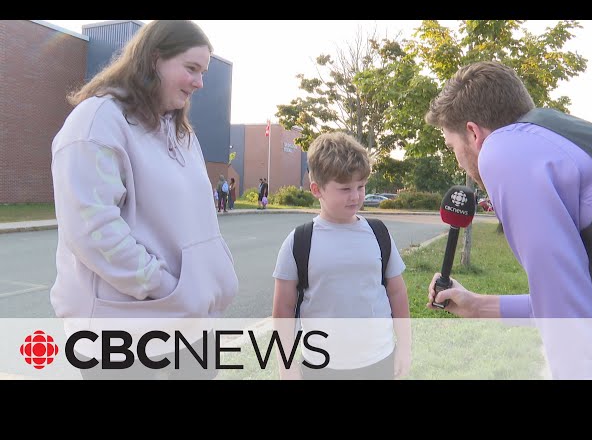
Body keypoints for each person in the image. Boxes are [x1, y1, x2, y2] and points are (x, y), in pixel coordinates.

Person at [425, 60, 592, 379]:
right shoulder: (552, 137)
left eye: (451, 146)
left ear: (473, 133)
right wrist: (476, 306)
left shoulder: (504, 151)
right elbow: (577, 300)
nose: (458, 162)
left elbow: (573, 324)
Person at [50, 20, 239, 380]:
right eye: (191, 68)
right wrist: (166, 287)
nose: (200, 82)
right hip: (124, 335)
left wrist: (200, 290)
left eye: (203, 72)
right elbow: (93, 231)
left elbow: (198, 221)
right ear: (154, 60)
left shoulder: (180, 132)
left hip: (190, 325)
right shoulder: (95, 123)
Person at [272, 132, 411, 380]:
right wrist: (286, 364)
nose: (356, 196)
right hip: (322, 367)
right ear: (317, 189)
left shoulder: (378, 234)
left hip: (379, 361)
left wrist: (405, 348)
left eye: (361, 186)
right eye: (345, 188)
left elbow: (397, 293)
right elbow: (283, 309)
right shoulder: (299, 242)